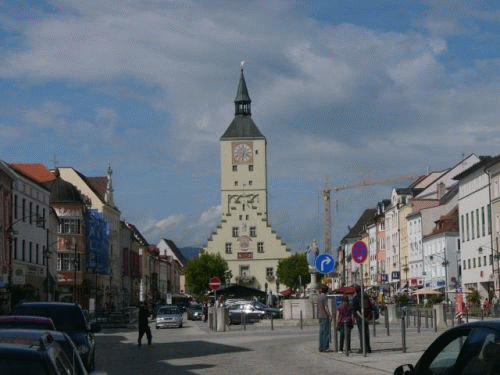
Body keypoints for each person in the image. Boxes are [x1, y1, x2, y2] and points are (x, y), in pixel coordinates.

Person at [352, 285, 372, 353]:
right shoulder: (366, 296)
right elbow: (371, 306)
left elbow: (354, 309)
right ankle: (368, 347)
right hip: (366, 316)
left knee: (361, 333)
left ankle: (363, 348)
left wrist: (359, 317)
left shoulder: (356, 297)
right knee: (366, 332)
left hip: (359, 317)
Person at [317, 285, 332, 352]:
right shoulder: (324, 297)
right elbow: (326, 307)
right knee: (326, 332)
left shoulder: (319, 297)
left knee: (321, 332)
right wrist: (329, 315)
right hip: (325, 316)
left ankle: (321, 346)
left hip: (320, 316)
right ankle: (325, 346)